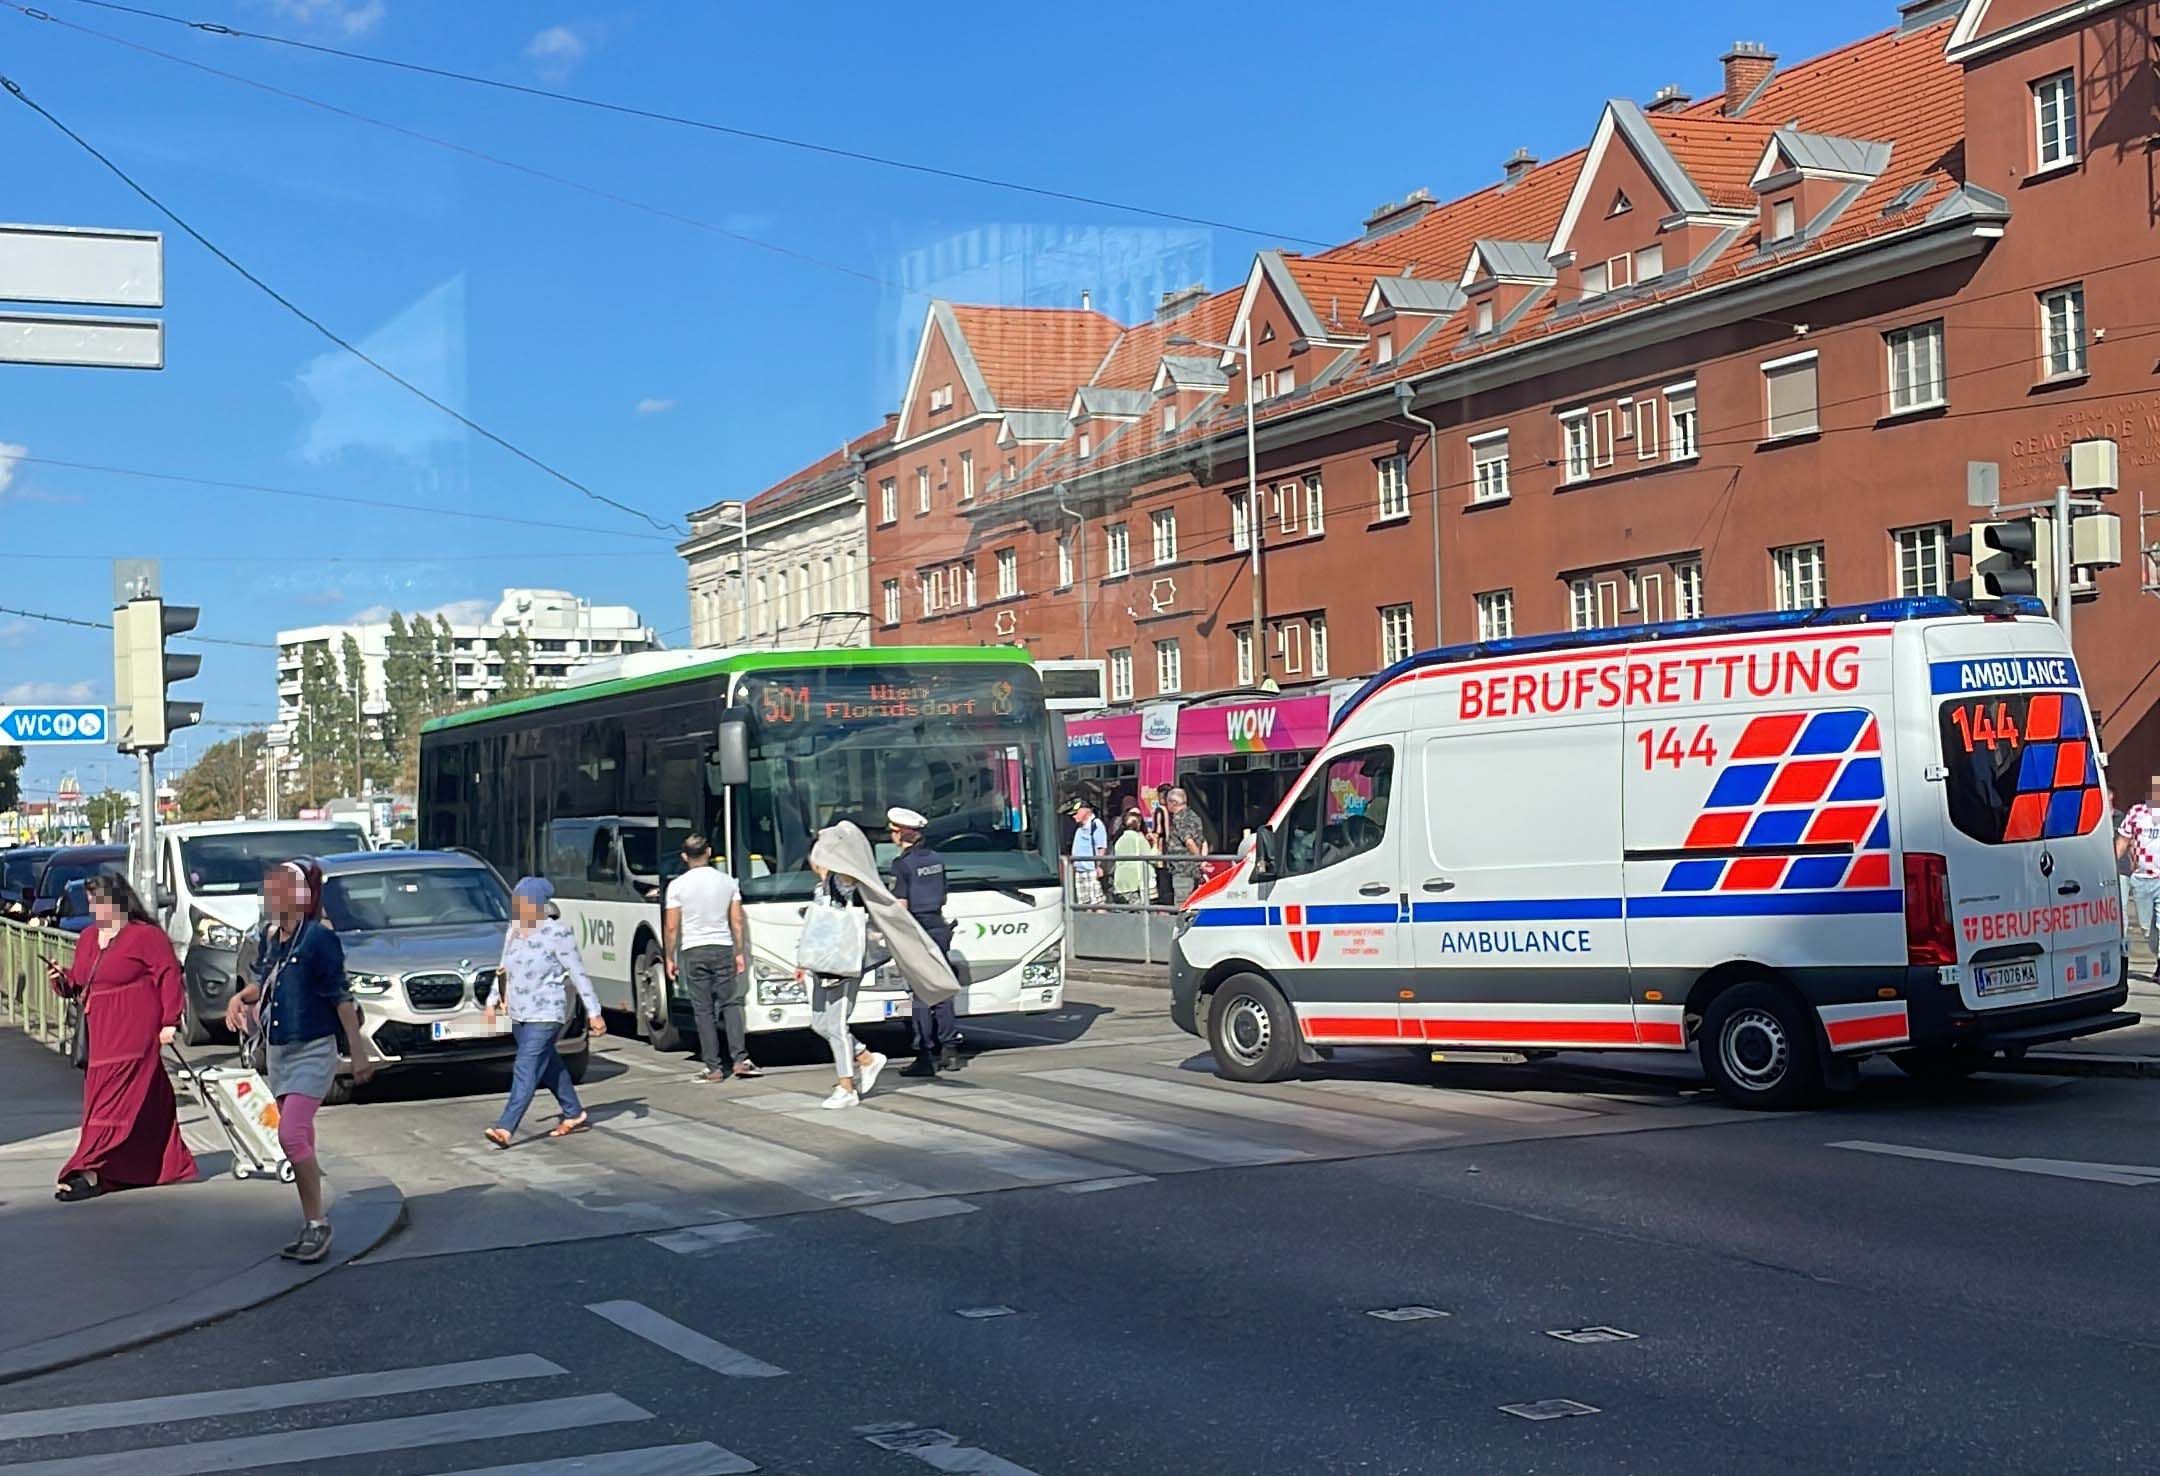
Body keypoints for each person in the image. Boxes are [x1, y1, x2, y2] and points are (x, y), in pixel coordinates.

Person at [224, 860, 372, 1263]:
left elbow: (341, 996)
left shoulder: (319, 939)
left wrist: (357, 1052)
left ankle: (318, 1223)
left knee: (290, 1135)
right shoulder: (272, 937)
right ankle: (312, 1220)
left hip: (313, 1048)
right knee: (300, 1135)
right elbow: (263, 981)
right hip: (280, 1050)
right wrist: (239, 998)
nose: (271, 899)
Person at [48, 873, 197, 1203]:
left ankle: (88, 1167)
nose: (94, 908)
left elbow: (168, 975)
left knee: (112, 1099)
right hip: (101, 1033)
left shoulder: (144, 936)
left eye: (99, 901)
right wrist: (61, 979)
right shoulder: (88, 937)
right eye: (91, 902)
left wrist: (169, 1021)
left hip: (134, 1030)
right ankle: (150, 1167)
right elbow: (80, 981)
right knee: (145, 1100)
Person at [483, 877, 607, 1148]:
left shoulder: (558, 934)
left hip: (547, 1012)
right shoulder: (514, 929)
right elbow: (503, 969)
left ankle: (505, 1127)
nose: (518, 907)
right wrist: (492, 1001)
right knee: (548, 1063)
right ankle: (573, 1113)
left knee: (526, 1066)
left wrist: (594, 1012)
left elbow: (578, 973)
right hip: (519, 1013)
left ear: (537, 904)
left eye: (523, 902)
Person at [799, 845, 889, 1111]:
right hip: (821, 962)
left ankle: (847, 1087)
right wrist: (801, 961)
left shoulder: (842, 883)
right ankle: (866, 1057)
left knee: (836, 1025)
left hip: (844, 962)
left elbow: (853, 874)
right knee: (819, 1023)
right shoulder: (821, 889)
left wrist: (837, 846)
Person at [664, 834, 753, 1083]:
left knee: (703, 1010)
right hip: (723, 947)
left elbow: (671, 927)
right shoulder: (728, 882)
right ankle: (740, 1060)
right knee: (731, 1004)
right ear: (710, 852)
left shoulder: (677, 886)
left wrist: (669, 956)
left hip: (693, 950)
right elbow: (737, 922)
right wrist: (738, 952)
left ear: (684, 856)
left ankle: (713, 1067)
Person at [887, 806, 964, 1076]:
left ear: (902, 834)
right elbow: (943, 893)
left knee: (920, 994)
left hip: (917, 930)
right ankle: (950, 1051)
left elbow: (901, 906)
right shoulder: (936, 858)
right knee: (942, 989)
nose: (891, 835)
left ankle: (925, 1055)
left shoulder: (901, 865)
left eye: (893, 831)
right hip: (939, 927)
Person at [2117, 777, 2160, 956]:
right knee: (2146, 928)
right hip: (2141, 879)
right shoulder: (2137, 812)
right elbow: (2123, 841)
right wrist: (2111, 864)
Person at [1163, 786, 1208, 903]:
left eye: (1168, 802)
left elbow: (1189, 841)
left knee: (1182, 903)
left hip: (1182, 869)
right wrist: (1203, 860)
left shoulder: (1179, 818)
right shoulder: (1195, 816)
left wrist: (1198, 858)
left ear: (1173, 803)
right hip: (1193, 870)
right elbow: (1203, 841)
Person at [1112, 807, 1158, 906]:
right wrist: (1155, 844)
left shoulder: (1119, 839)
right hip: (1137, 881)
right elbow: (1152, 858)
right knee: (1142, 910)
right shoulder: (1139, 839)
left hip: (1122, 880)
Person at [1069, 800, 1109, 908]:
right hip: (1080, 870)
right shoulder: (1079, 828)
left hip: (1091, 869)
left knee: (1097, 903)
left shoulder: (1096, 824)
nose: (1073, 816)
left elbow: (1101, 847)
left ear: (1085, 811)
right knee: (1085, 904)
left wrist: (1098, 865)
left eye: (1076, 813)